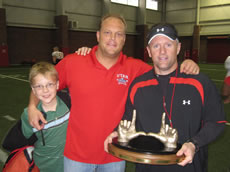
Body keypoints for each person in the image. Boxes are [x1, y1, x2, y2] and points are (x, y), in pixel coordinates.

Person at [28, 14, 200, 172]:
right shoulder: (73, 62)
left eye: (119, 34)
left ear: (124, 39)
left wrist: (186, 64)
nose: (112, 38)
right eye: (107, 32)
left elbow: (164, 70)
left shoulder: (134, 67)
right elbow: (43, 82)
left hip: (115, 155)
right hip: (76, 156)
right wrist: (32, 107)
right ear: (98, 35)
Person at [104, 23, 226, 172]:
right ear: (149, 51)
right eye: (156, 46)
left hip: (187, 166)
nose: (162, 51)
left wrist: (194, 143)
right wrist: (117, 132)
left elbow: (217, 122)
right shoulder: (138, 86)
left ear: (178, 47)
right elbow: (129, 118)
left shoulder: (199, 83)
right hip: (146, 167)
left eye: (168, 44)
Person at [21, 62, 69, 172]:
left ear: (57, 85)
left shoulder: (67, 104)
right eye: (39, 86)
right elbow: (24, 140)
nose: (45, 90)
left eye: (50, 84)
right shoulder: (28, 114)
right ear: (33, 90)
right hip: (42, 167)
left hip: (68, 165)